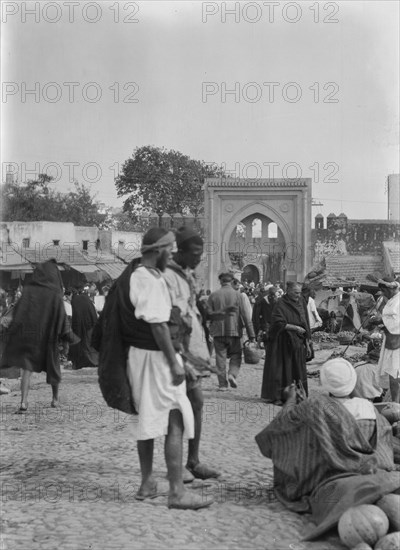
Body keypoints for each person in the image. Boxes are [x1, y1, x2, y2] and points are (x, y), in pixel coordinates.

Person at [255, 358, 400, 541]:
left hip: (331, 473)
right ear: (353, 381)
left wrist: (291, 400)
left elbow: (280, 428)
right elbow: (383, 441)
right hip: (370, 467)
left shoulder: (315, 407)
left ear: (325, 384)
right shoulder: (368, 407)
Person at [124, 227, 211, 509]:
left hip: (144, 356)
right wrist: (175, 362)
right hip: (156, 357)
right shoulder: (147, 279)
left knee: (148, 420)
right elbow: (158, 326)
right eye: (170, 251)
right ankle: (176, 492)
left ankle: (147, 483)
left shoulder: (147, 275)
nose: (172, 256)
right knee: (175, 417)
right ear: (159, 250)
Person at [163, 226, 220, 482]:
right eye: (195, 253)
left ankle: (193, 460)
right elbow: (169, 316)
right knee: (177, 407)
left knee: (195, 402)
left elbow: (192, 307)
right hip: (176, 350)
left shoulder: (187, 274)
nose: (199, 258)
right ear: (181, 251)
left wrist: (211, 314)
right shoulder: (167, 276)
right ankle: (177, 468)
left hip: (191, 350)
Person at [0, 260, 78, 411]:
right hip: (49, 338)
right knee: (54, 369)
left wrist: (12, 332)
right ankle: (55, 399)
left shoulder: (28, 290)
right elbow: (61, 317)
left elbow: (19, 314)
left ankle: (23, 401)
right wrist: (68, 336)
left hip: (29, 337)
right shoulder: (54, 294)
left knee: (26, 370)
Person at [261, 281, 312, 405]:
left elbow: (305, 322)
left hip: (298, 341)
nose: (298, 295)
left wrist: (308, 341)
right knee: (281, 369)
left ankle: (298, 394)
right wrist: (295, 328)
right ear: (288, 291)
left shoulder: (301, 302)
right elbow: (277, 323)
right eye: (295, 293)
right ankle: (278, 396)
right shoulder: (280, 304)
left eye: (299, 293)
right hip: (282, 342)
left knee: (297, 369)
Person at [207, 272, 255, 390]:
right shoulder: (238, 295)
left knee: (220, 357)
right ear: (232, 281)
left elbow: (207, 315)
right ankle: (232, 374)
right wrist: (251, 335)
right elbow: (246, 316)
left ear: (220, 281)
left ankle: (222, 384)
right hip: (235, 331)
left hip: (218, 332)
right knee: (236, 355)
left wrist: (208, 332)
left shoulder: (213, 295)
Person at [372, 277, 400, 402]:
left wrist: (381, 320)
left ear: (390, 288)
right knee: (391, 373)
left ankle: (396, 405)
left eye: (384, 290)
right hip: (391, 340)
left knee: (395, 374)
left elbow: (397, 323)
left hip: (397, 342)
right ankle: (395, 402)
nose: (383, 294)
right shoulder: (392, 300)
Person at [68, 288, 99, 370]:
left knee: (84, 345)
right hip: (91, 324)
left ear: (71, 295)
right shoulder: (85, 298)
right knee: (90, 344)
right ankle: (96, 361)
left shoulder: (75, 301)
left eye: (68, 297)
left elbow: (76, 316)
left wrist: (76, 329)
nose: (68, 299)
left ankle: (88, 362)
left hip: (82, 326)